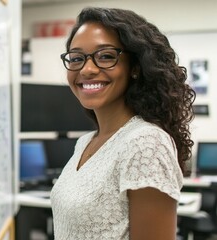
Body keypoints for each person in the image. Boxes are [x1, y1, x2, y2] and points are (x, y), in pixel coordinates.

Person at [50, 7, 196, 240]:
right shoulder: (85, 143)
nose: (87, 69)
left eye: (106, 56)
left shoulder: (145, 143)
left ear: (135, 68)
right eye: (76, 58)